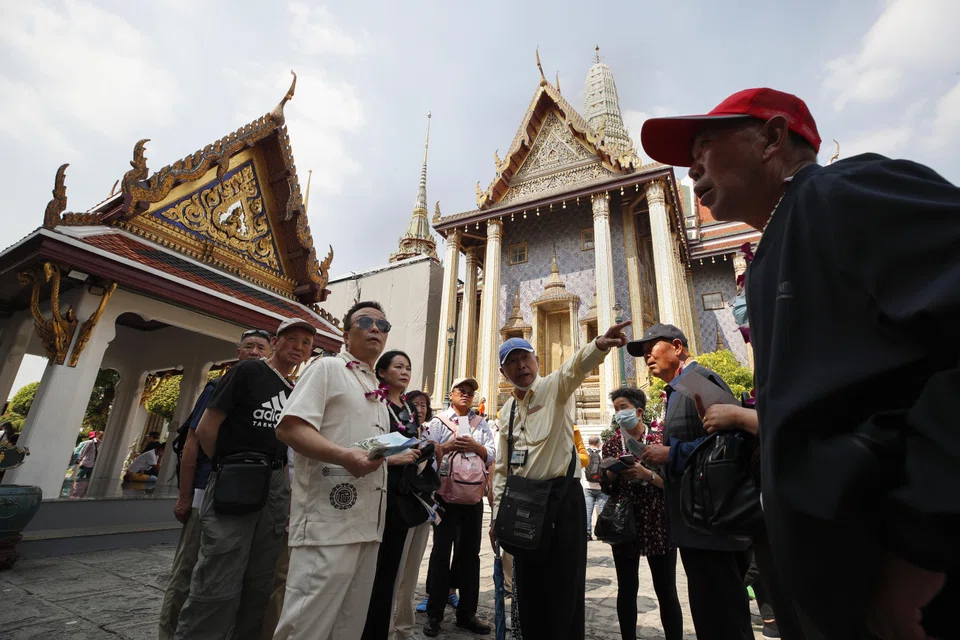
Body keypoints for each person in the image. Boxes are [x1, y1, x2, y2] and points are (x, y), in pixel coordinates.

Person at [641, 86, 960, 639]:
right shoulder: (773, 255)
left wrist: (923, 546)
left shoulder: (846, 193)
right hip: (830, 586)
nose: (691, 168)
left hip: (908, 588)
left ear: (771, 138)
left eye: (706, 145)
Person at [173, 318, 314, 640]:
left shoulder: (295, 389)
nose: (298, 347)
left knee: (260, 580)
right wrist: (228, 465)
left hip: (275, 483)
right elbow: (207, 430)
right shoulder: (248, 371)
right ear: (276, 342)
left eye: (306, 344)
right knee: (218, 576)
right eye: (291, 339)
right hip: (235, 477)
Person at [490, 323, 630, 640]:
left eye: (525, 358)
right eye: (512, 361)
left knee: (564, 589)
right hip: (525, 507)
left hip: (561, 502)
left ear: (537, 361)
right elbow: (502, 468)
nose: (520, 366)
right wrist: (498, 514)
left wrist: (599, 344)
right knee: (528, 590)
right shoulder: (507, 411)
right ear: (503, 371)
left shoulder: (555, 388)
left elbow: (574, 367)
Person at [272, 301, 390, 640]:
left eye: (383, 326)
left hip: (368, 524)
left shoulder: (374, 389)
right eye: (365, 322)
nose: (375, 329)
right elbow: (290, 429)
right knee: (306, 626)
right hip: (328, 521)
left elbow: (364, 447)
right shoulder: (326, 369)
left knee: (348, 627)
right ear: (345, 332)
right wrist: (343, 456)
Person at [629, 324, 753, 640]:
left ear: (677, 346)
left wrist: (673, 453)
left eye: (651, 350)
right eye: (643, 355)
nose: (646, 358)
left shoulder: (699, 381)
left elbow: (734, 442)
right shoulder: (678, 389)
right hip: (694, 522)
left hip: (713, 522)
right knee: (708, 613)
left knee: (724, 616)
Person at [158, 328, 272, 640]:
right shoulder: (220, 385)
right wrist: (184, 497)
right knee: (189, 572)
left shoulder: (267, 393)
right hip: (205, 489)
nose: (253, 352)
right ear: (238, 352)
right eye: (248, 346)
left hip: (244, 496)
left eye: (260, 347)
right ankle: (169, 634)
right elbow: (193, 443)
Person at [602, 386, 682, 640]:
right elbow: (605, 484)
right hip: (625, 522)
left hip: (658, 520)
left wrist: (647, 475)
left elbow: (673, 484)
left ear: (639, 411)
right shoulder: (613, 442)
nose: (619, 414)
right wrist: (613, 471)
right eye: (615, 409)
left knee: (666, 589)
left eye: (623, 408)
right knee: (626, 588)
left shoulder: (660, 438)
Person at [421, 376, 495, 637]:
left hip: (472, 498)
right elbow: (427, 453)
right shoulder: (438, 423)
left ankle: (467, 613)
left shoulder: (481, 423)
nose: (466, 395)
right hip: (445, 497)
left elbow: (493, 454)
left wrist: (478, 447)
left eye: (470, 392)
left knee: (470, 556)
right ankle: (434, 614)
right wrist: (447, 447)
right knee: (441, 553)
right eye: (461, 391)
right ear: (450, 394)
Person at [361, 350, 425, 640]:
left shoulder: (410, 409)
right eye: (397, 366)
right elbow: (362, 449)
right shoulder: (375, 404)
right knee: (369, 571)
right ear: (382, 372)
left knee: (391, 572)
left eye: (408, 368)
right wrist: (392, 460)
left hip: (402, 496)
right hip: (376, 494)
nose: (404, 372)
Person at [391, 389, 434, 640]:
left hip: (423, 508)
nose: (419, 409)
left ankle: (404, 629)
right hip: (402, 507)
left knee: (412, 571)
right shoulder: (399, 433)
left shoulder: (429, 435)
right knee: (396, 571)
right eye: (414, 404)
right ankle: (386, 627)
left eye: (423, 405)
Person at [582, 434, 606, 541]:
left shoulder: (585, 453)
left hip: (587, 486)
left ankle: (587, 534)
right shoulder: (602, 453)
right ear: (598, 443)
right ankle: (602, 533)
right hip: (601, 487)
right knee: (602, 511)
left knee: (588, 511)